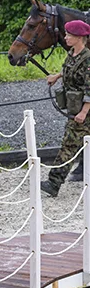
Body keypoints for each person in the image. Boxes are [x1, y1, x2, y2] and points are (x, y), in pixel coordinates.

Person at [42, 19, 90, 197]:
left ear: (79, 37)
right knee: (72, 144)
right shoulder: (72, 54)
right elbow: (70, 70)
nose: (66, 37)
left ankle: (53, 183)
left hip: (84, 112)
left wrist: (84, 112)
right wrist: (57, 76)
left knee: (69, 145)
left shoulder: (88, 59)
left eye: (69, 34)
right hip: (75, 108)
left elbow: (89, 88)